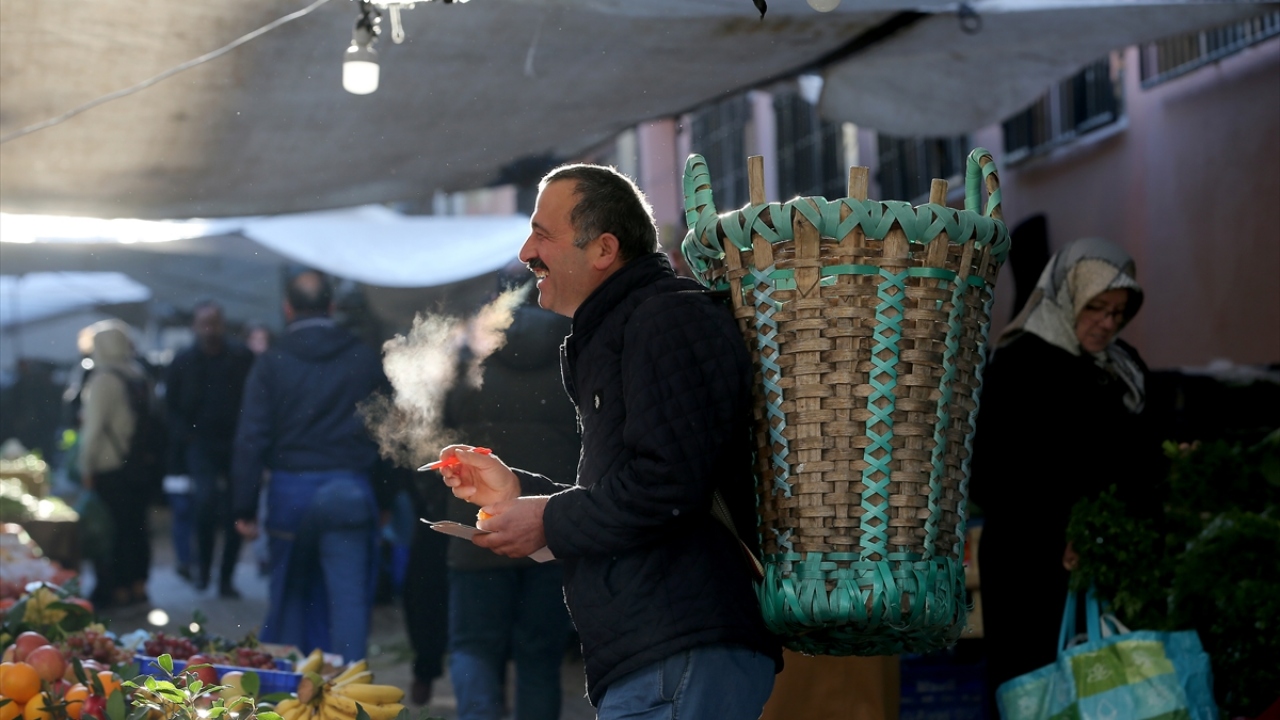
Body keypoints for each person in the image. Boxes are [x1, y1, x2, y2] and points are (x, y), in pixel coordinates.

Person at [436, 164, 781, 719]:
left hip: (680, 646)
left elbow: (667, 484)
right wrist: (521, 495)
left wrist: (546, 518)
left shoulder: (663, 317)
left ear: (603, 249)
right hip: (660, 650)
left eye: (542, 234)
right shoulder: (621, 327)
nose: (527, 252)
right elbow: (628, 490)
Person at [969, 237, 1165, 696]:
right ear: (1069, 295)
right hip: (1033, 566)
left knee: (1114, 692)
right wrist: (1060, 531)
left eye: (1118, 313)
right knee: (1040, 689)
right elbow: (991, 473)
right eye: (1096, 307)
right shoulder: (1020, 363)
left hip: (1109, 560)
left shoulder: (1121, 366)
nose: (1107, 323)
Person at [437, 267, 577, 720]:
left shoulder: (469, 356)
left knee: (474, 646)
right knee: (539, 657)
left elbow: (437, 439)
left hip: (476, 528)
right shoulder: (572, 349)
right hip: (549, 528)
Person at [231, 270, 389, 662]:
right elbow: (389, 432)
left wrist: (244, 507)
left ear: (287, 309)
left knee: (289, 597)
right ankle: (350, 695)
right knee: (349, 603)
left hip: (290, 497)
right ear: (331, 306)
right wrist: (385, 498)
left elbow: (252, 437)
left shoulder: (272, 362)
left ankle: (289, 697)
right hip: (350, 492)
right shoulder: (363, 357)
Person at [165, 300, 255, 596]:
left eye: (213, 323)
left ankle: (225, 577)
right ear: (195, 325)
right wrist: (186, 437)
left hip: (233, 444)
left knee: (234, 511)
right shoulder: (185, 360)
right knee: (204, 505)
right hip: (200, 444)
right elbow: (171, 407)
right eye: (204, 323)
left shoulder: (240, 358)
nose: (209, 329)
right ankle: (203, 570)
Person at [78, 321, 152, 607]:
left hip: (110, 467)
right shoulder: (137, 375)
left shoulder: (103, 380)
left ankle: (116, 590)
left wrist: (86, 467)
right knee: (137, 528)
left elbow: (93, 430)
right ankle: (138, 585)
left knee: (114, 532)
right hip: (138, 465)